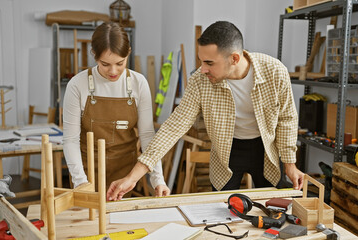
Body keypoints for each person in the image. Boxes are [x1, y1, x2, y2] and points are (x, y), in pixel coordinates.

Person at [107, 21, 304, 201]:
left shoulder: (275, 71)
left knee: (272, 208)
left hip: (265, 150)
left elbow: (286, 118)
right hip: (227, 152)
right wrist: (133, 177)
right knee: (223, 212)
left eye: (209, 63)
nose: (202, 69)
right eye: (201, 61)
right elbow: (173, 127)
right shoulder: (200, 81)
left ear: (234, 58)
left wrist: (290, 164)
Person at [63, 22, 170, 197]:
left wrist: (158, 179)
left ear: (128, 53)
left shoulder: (139, 83)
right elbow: (70, 140)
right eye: (105, 64)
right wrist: (80, 182)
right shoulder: (77, 85)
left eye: (120, 63)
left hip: (125, 175)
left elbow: (147, 135)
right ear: (94, 56)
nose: (113, 71)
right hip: (86, 170)